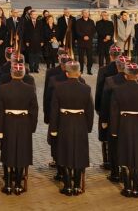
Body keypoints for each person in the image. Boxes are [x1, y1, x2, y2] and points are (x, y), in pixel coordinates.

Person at [110, 62, 138, 198]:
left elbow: (114, 112)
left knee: (124, 155)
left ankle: (127, 188)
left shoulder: (117, 90)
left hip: (123, 126)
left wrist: (114, 131)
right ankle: (136, 188)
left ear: (125, 75)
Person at [50, 59, 92, 196]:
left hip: (64, 123)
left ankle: (68, 185)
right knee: (79, 154)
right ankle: (77, 185)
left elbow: (54, 111)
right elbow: (89, 111)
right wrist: (88, 127)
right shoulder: (86, 89)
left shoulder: (59, 88)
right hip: (80, 123)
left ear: (66, 73)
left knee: (65, 153)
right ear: (79, 73)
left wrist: (53, 129)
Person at [0, 61, 36, 195]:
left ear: (11, 74)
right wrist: (32, 127)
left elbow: (0, 111)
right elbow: (34, 110)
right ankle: (18, 184)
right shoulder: (30, 89)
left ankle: (7, 184)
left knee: (7, 152)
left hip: (8, 123)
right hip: (24, 123)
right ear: (23, 74)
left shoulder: (3, 88)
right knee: (22, 153)